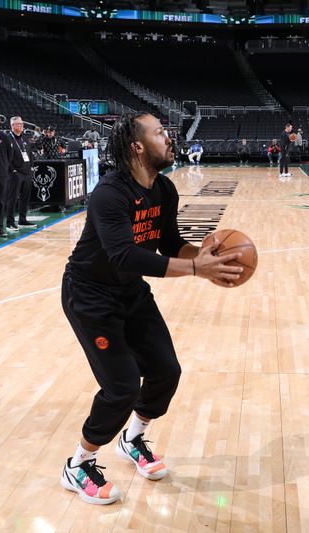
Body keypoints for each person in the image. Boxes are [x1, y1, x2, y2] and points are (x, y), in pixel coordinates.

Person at [59, 112, 243, 505]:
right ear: (136, 147)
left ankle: (133, 439)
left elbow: (170, 242)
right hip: (90, 295)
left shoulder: (164, 189)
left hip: (129, 293)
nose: (169, 138)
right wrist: (195, 269)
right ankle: (79, 464)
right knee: (122, 386)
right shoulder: (110, 194)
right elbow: (125, 257)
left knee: (166, 371)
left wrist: (204, 257)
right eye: (160, 133)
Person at [7, 116, 37, 230]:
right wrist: (12, 170)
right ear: (12, 126)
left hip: (27, 172)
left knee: (25, 197)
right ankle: (10, 222)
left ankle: (22, 219)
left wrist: (32, 167)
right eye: (18, 124)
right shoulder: (8, 138)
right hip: (15, 173)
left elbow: (30, 154)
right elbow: (5, 157)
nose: (21, 126)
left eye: (22, 124)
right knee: (13, 198)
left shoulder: (24, 138)